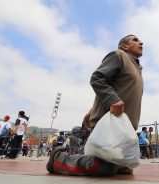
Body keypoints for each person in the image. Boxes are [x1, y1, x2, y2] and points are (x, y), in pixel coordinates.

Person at [47, 34, 144, 176]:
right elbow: (97, 78)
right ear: (124, 46)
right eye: (135, 40)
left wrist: (91, 110)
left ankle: (100, 160)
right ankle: (58, 158)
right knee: (101, 167)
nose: (140, 42)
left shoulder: (137, 69)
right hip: (109, 126)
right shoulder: (119, 55)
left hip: (124, 130)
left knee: (125, 168)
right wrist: (112, 100)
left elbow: (119, 90)